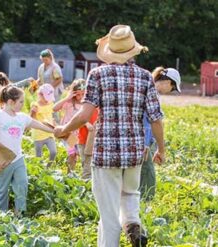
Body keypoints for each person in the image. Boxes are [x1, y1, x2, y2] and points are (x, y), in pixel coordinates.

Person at [54, 25, 165, 247]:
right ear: (133, 50)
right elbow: (155, 118)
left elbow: (84, 114)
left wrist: (63, 129)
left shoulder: (98, 74)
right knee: (130, 194)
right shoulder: (145, 77)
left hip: (106, 153)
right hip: (134, 151)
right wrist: (161, 149)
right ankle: (133, 223)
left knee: (109, 213)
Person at [0, 85, 54, 216]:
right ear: (11, 102)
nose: (23, 105)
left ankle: (19, 215)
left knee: (22, 186)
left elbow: (38, 125)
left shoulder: (22, 117)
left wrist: (54, 131)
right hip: (2, 159)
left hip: (17, 158)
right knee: (1, 191)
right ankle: (2, 217)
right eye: (21, 102)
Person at [140, 67, 181, 201]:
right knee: (147, 175)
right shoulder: (152, 93)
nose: (171, 91)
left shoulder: (144, 88)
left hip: (146, 140)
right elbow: (148, 121)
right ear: (167, 82)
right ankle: (145, 204)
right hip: (144, 142)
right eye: (173, 88)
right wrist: (148, 144)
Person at [53, 79, 86, 173]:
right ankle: (69, 173)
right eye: (78, 94)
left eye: (83, 94)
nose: (80, 97)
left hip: (79, 135)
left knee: (78, 154)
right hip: (68, 133)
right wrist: (68, 97)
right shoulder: (69, 103)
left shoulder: (85, 105)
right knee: (72, 154)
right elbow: (54, 108)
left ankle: (72, 172)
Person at [30, 84, 57, 167]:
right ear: (40, 95)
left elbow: (51, 116)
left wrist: (54, 124)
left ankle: (48, 167)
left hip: (49, 132)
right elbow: (32, 119)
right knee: (38, 156)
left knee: (53, 152)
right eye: (46, 97)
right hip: (38, 133)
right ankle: (40, 170)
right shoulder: (35, 105)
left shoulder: (50, 104)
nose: (47, 100)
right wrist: (32, 112)